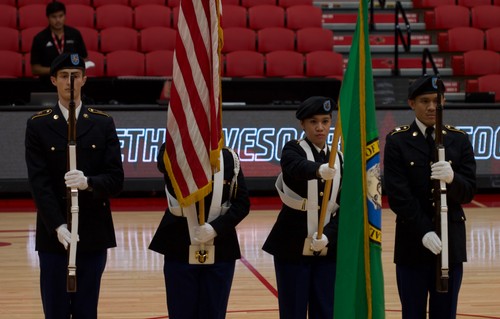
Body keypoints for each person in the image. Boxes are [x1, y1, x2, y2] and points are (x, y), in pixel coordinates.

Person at [25, 52, 124, 319]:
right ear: (54, 80)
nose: (71, 81)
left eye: (76, 76)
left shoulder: (102, 123)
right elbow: (39, 183)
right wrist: (57, 225)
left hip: (92, 234)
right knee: (55, 311)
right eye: (65, 76)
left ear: (84, 80)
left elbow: (116, 179)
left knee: (86, 311)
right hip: (53, 236)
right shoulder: (39, 125)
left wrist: (89, 183)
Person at [383, 75, 476, 319]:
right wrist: (424, 230)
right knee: (412, 313)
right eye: (425, 101)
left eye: (437, 100)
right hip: (412, 242)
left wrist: (452, 179)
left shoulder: (458, 139)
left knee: (445, 313)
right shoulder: (397, 141)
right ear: (411, 103)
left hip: (450, 244)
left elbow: (468, 191)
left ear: (444, 101)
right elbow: (398, 195)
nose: (432, 107)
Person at [262, 96, 343, 319]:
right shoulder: (292, 149)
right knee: (293, 310)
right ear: (302, 124)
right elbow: (295, 167)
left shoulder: (341, 159)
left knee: (326, 309)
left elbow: (345, 207)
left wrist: (328, 235)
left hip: (327, 248)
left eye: (325, 121)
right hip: (292, 244)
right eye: (313, 122)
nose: (320, 127)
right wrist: (318, 170)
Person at [149, 144, 250, 319]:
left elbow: (242, 204)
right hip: (179, 244)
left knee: (214, 312)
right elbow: (163, 163)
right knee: (180, 311)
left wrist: (215, 228)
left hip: (221, 248)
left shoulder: (229, 158)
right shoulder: (174, 149)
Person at [30, 1, 88, 90]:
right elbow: (35, 69)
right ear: (48, 17)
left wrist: (70, 69)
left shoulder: (75, 34)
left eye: (60, 16)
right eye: (54, 17)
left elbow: (85, 59)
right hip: (48, 85)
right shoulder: (39, 38)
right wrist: (57, 70)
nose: (58, 20)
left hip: (72, 85)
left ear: (65, 16)